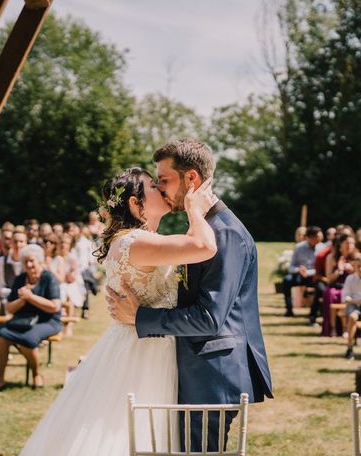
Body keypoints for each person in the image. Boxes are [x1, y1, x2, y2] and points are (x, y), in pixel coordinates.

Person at [20, 165, 222, 455]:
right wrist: (195, 209)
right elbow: (203, 245)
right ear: (134, 202)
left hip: (138, 342)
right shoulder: (134, 241)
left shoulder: (132, 240)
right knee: (129, 435)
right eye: (152, 186)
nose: (161, 188)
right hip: (144, 352)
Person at [110, 139, 272, 452]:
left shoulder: (225, 234)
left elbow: (210, 318)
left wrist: (140, 316)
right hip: (195, 370)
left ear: (192, 178)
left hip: (212, 375)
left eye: (165, 180)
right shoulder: (204, 227)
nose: (160, 187)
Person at [0, 245, 62, 392]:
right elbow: (9, 308)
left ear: (39, 260)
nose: (28, 265)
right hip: (23, 319)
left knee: (27, 339)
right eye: (25, 261)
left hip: (47, 320)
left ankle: (37, 374)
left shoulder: (49, 277)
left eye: (31, 261)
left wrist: (31, 297)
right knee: (1, 335)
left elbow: (54, 307)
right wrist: (22, 300)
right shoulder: (20, 279)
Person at [321, 233, 358, 337]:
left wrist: (353, 271)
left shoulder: (357, 257)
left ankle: (346, 328)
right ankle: (332, 328)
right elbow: (329, 279)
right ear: (340, 245)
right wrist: (339, 270)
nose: (349, 246)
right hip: (336, 286)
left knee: (347, 296)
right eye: (347, 243)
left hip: (352, 288)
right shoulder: (331, 257)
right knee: (330, 294)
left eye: (352, 243)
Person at [282, 226, 322, 317]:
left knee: (321, 287)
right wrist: (299, 270)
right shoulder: (299, 247)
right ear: (309, 237)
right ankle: (289, 310)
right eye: (317, 237)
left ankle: (313, 313)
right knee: (287, 280)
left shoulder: (322, 248)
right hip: (300, 275)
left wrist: (309, 272)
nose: (320, 239)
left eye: (320, 236)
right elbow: (291, 267)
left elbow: (322, 269)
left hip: (315, 276)